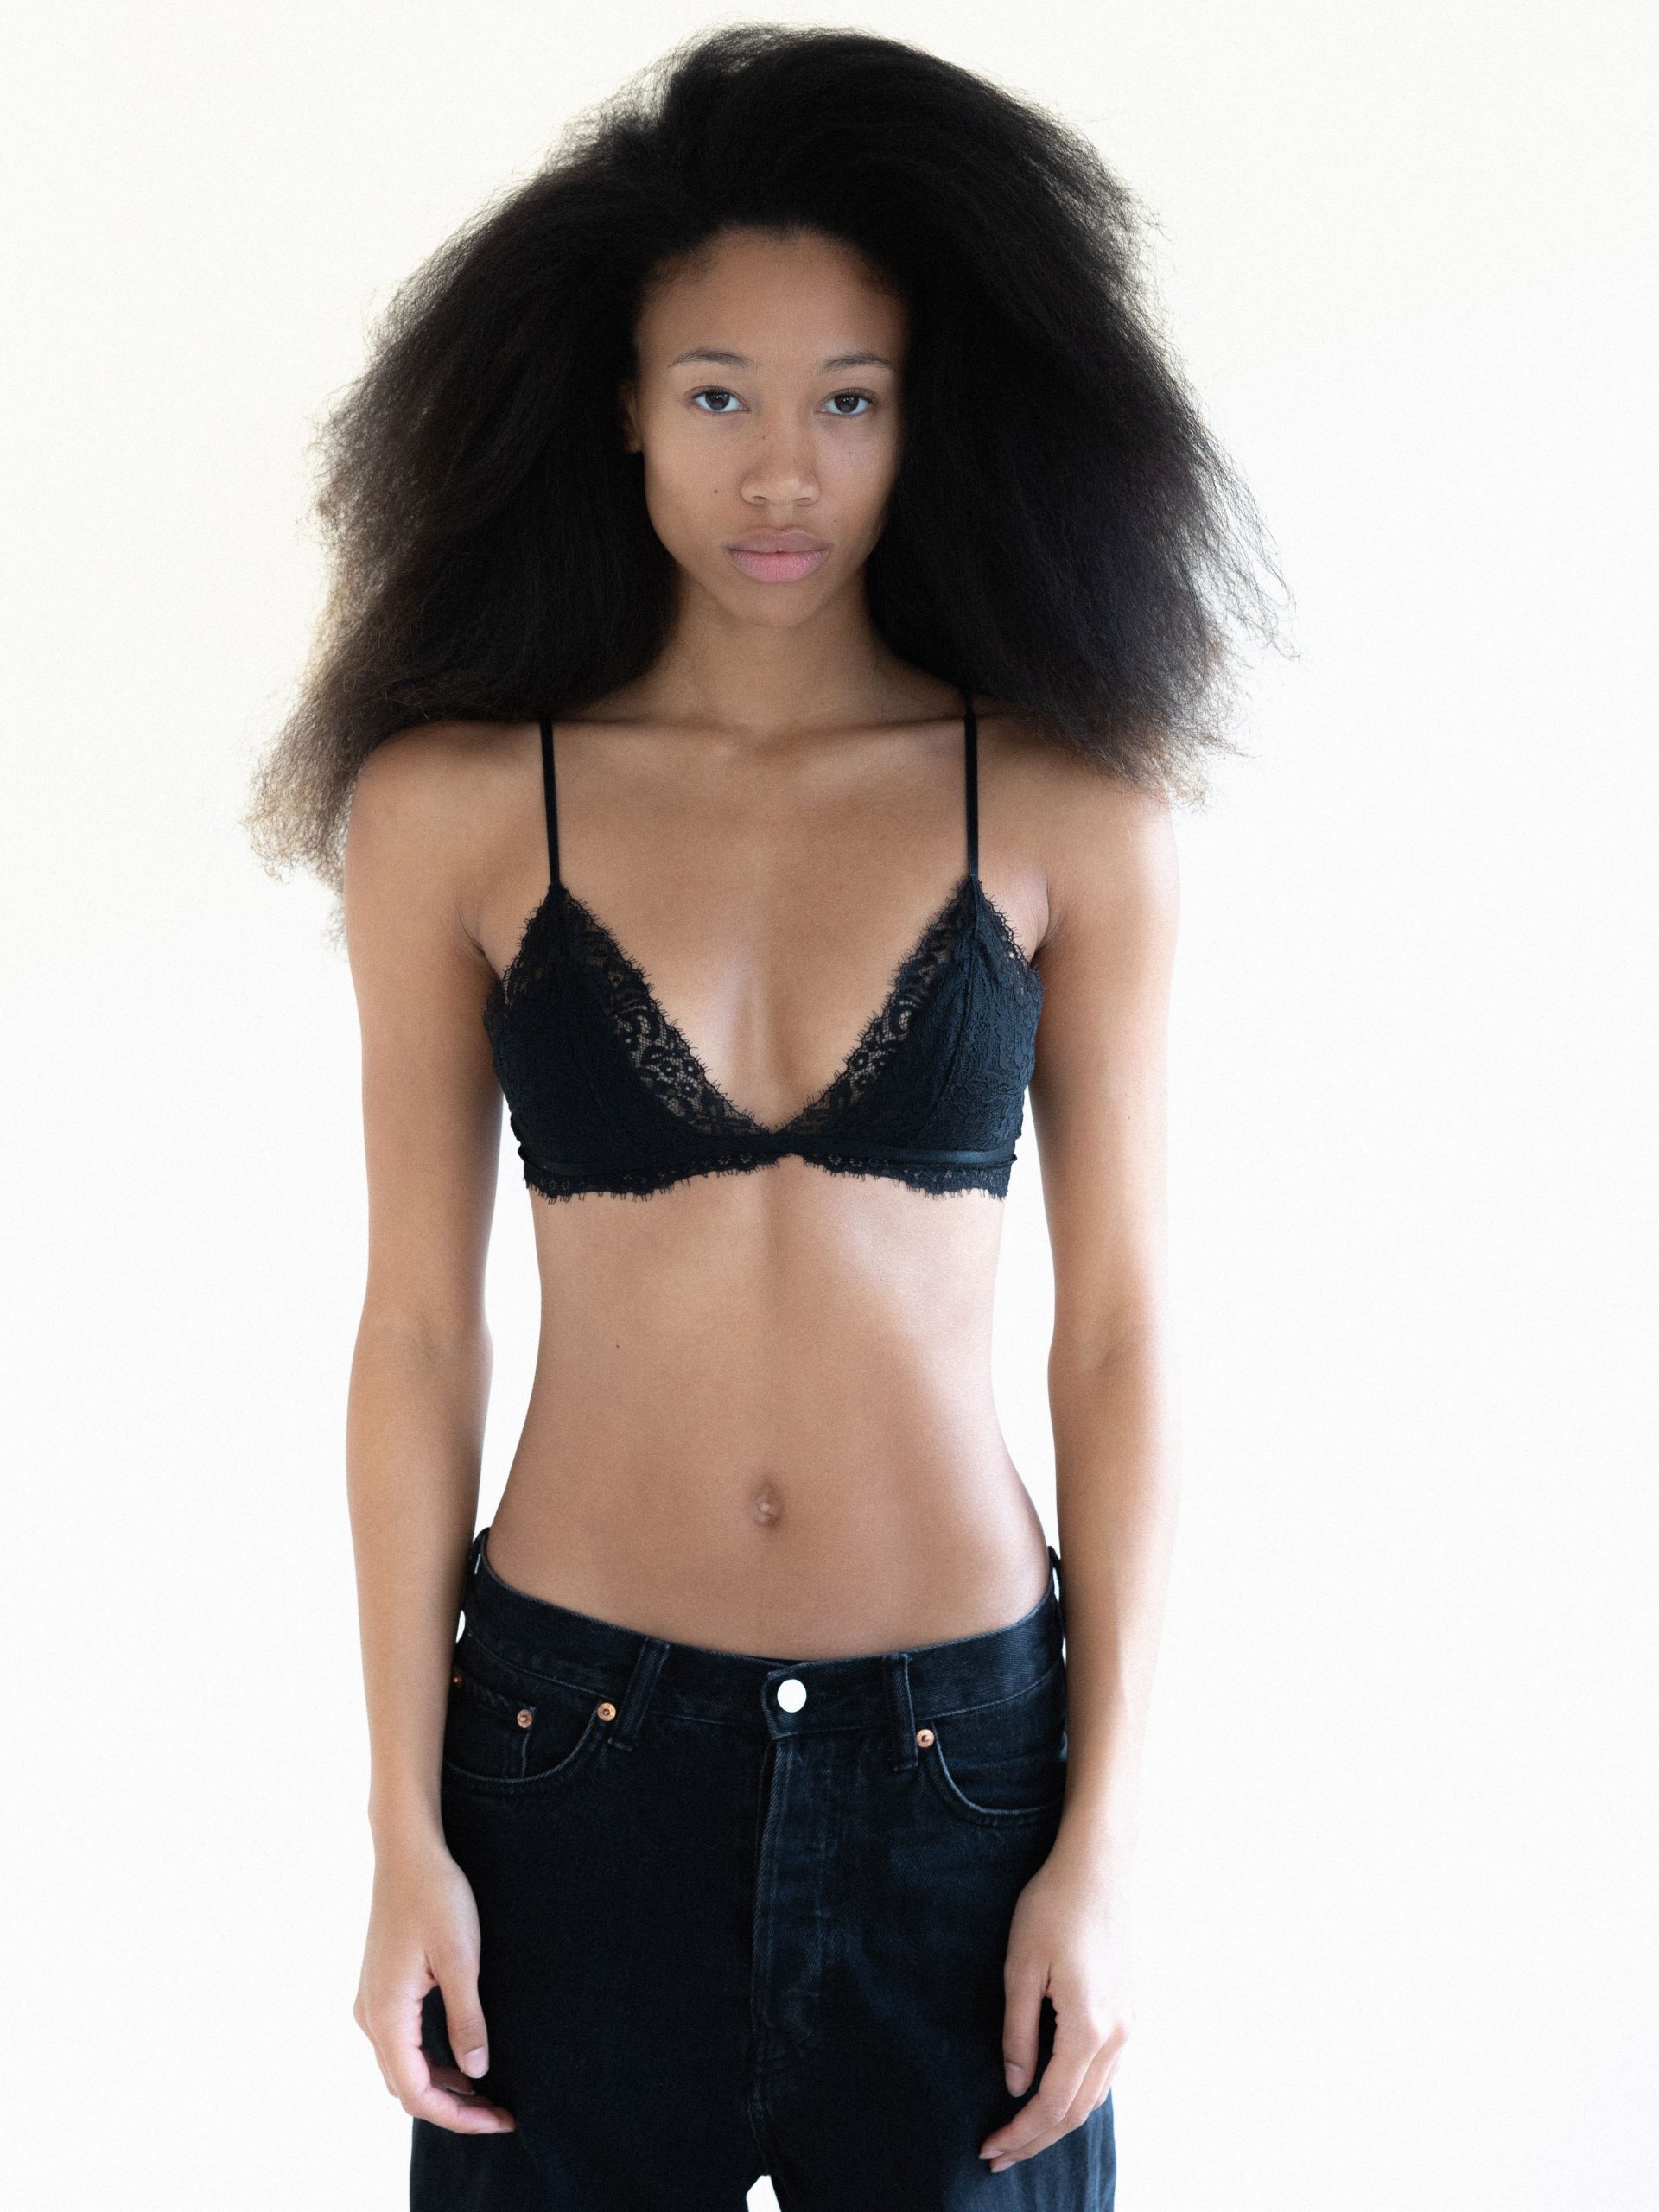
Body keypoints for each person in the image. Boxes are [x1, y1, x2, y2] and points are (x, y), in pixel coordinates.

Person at [245, 24, 1281, 2209]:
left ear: (932, 416)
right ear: (619, 405)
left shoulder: (1070, 808)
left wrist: (1103, 1840)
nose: (783, 471)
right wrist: (402, 1819)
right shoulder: (455, 809)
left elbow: (1120, 1335)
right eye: (718, 396)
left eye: (850, 400)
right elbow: (417, 1329)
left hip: (964, 1770)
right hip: (566, 1760)